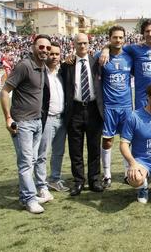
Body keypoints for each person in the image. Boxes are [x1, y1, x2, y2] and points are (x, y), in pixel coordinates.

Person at [0, 34, 52, 213]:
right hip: (22, 123)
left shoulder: (42, 67)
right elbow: (5, 91)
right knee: (26, 163)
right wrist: (8, 118)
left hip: (37, 122)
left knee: (32, 160)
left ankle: (25, 196)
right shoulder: (24, 66)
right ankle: (30, 198)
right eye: (41, 47)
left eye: (47, 47)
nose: (44, 50)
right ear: (33, 47)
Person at [60, 33, 104, 196]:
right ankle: (78, 181)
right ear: (74, 44)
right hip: (75, 110)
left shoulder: (97, 63)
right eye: (79, 43)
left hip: (94, 110)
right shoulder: (67, 65)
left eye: (85, 43)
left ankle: (94, 180)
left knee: (94, 148)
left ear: (89, 44)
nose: (82, 46)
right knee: (75, 149)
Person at [98, 26, 133, 188]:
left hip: (126, 106)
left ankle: (127, 173)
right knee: (107, 141)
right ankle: (107, 174)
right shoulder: (101, 57)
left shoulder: (129, 57)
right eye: (115, 37)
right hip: (109, 107)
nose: (118, 40)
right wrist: (105, 49)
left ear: (124, 38)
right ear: (109, 38)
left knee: (127, 140)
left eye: (121, 37)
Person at [39, 42, 69, 192]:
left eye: (57, 54)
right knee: (42, 153)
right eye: (52, 54)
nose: (54, 57)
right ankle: (41, 184)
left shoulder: (61, 73)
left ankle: (55, 179)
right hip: (48, 119)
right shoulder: (40, 73)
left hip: (62, 119)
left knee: (58, 152)